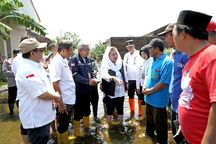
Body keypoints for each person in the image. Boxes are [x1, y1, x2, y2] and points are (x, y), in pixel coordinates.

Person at [172, 10, 216, 144]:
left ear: (183, 34)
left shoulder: (211, 56)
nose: (172, 38)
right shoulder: (191, 59)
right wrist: (183, 125)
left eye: (173, 32)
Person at [16, 38, 60, 144]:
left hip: (43, 117)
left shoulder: (36, 65)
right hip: (36, 120)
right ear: (32, 53)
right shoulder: (26, 70)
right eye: (41, 50)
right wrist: (56, 96)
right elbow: (41, 93)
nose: (43, 52)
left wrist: (53, 98)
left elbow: (45, 85)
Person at [158, 23, 189, 143]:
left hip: (182, 105)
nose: (166, 39)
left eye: (167, 36)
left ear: (175, 35)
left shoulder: (185, 54)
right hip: (174, 103)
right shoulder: (173, 53)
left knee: (183, 139)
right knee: (177, 136)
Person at [143, 38, 173, 144]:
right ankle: (149, 138)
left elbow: (164, 83)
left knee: (160, 126)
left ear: (157, 49)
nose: (148, 51)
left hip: (158, 102)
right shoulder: (152, 61)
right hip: (148, 99)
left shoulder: (168, 62)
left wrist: (150, 91)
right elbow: (147, 75)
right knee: (149, 124)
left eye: (150, 48)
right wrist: (144, 86)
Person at [68, 43, 99, 137]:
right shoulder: (74, 60)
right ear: (80, 50)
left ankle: (86, 127)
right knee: (78, 111)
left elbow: (92, 72)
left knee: (87, 109)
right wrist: (88, 81)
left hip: (88, 90)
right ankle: (77, 132)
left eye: (88, 49)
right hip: (79, 90)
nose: (89, 51)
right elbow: (75, 76)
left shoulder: (89, 60)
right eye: (87, 49)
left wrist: (94, 78)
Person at [49, 40, 76, 143]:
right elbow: (55, 83)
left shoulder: (63, 60)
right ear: (64, 50)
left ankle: (63, 140)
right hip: (64, 100)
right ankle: (62, 141)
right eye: (70, 50)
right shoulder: (57, 62)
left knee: (65, 123)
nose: (71, 52)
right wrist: (60, 103)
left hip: (68, 98)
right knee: (63, 124)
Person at [101, 46, 127, 128]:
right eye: (113, 54)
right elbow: (104, 75)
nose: (115, 56)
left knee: (120, 108)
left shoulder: (120, 63)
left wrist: (126, 84)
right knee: (109, 110)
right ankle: (109, 125)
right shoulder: (106, 64)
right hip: (111, 91)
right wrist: (113, 78)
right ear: (108, 56)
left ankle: (121, 124)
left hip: (121, 90)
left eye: (116, 54)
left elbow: (125, 74)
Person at [123, 39, 144, 120]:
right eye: (128, 46)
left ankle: (140, 111)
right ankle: (132, 111)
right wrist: (126, 81)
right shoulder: (126, 55)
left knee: (140, 95)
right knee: (130, 95)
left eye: (131, 46)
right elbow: (125, 69)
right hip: (130, 79)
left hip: (138, 79)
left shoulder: (139, 53)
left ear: (134, 46)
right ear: (126, 47)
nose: (129, 48)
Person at [2, 49, 19, 115]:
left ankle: (21, 112)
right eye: (16, 55)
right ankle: (11, 111)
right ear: (14, 54)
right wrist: (15, 73)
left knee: (20, 98)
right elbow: (4, 71)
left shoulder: (21, 62)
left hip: (19, 84)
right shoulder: (6, 61)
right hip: (11, 84)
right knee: (11, 99)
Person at [138, 45, 152, 121]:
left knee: (147, 101)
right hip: (142, 84)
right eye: (141, 54)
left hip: (148, 85)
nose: (143, 56)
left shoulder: (151, 60)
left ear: (148, 52)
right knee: (143, 99)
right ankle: (144, 115)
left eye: (144, 54)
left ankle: (147, 115)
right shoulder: (144, 62)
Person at [90, 58, 100, 122]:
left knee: (95, 102)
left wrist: (93, 77)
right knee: (85, 104)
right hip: (85, 86)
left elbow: (95, 70)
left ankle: (95, 117)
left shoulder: (93, 61)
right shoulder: (78, 60)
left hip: (94, 85)